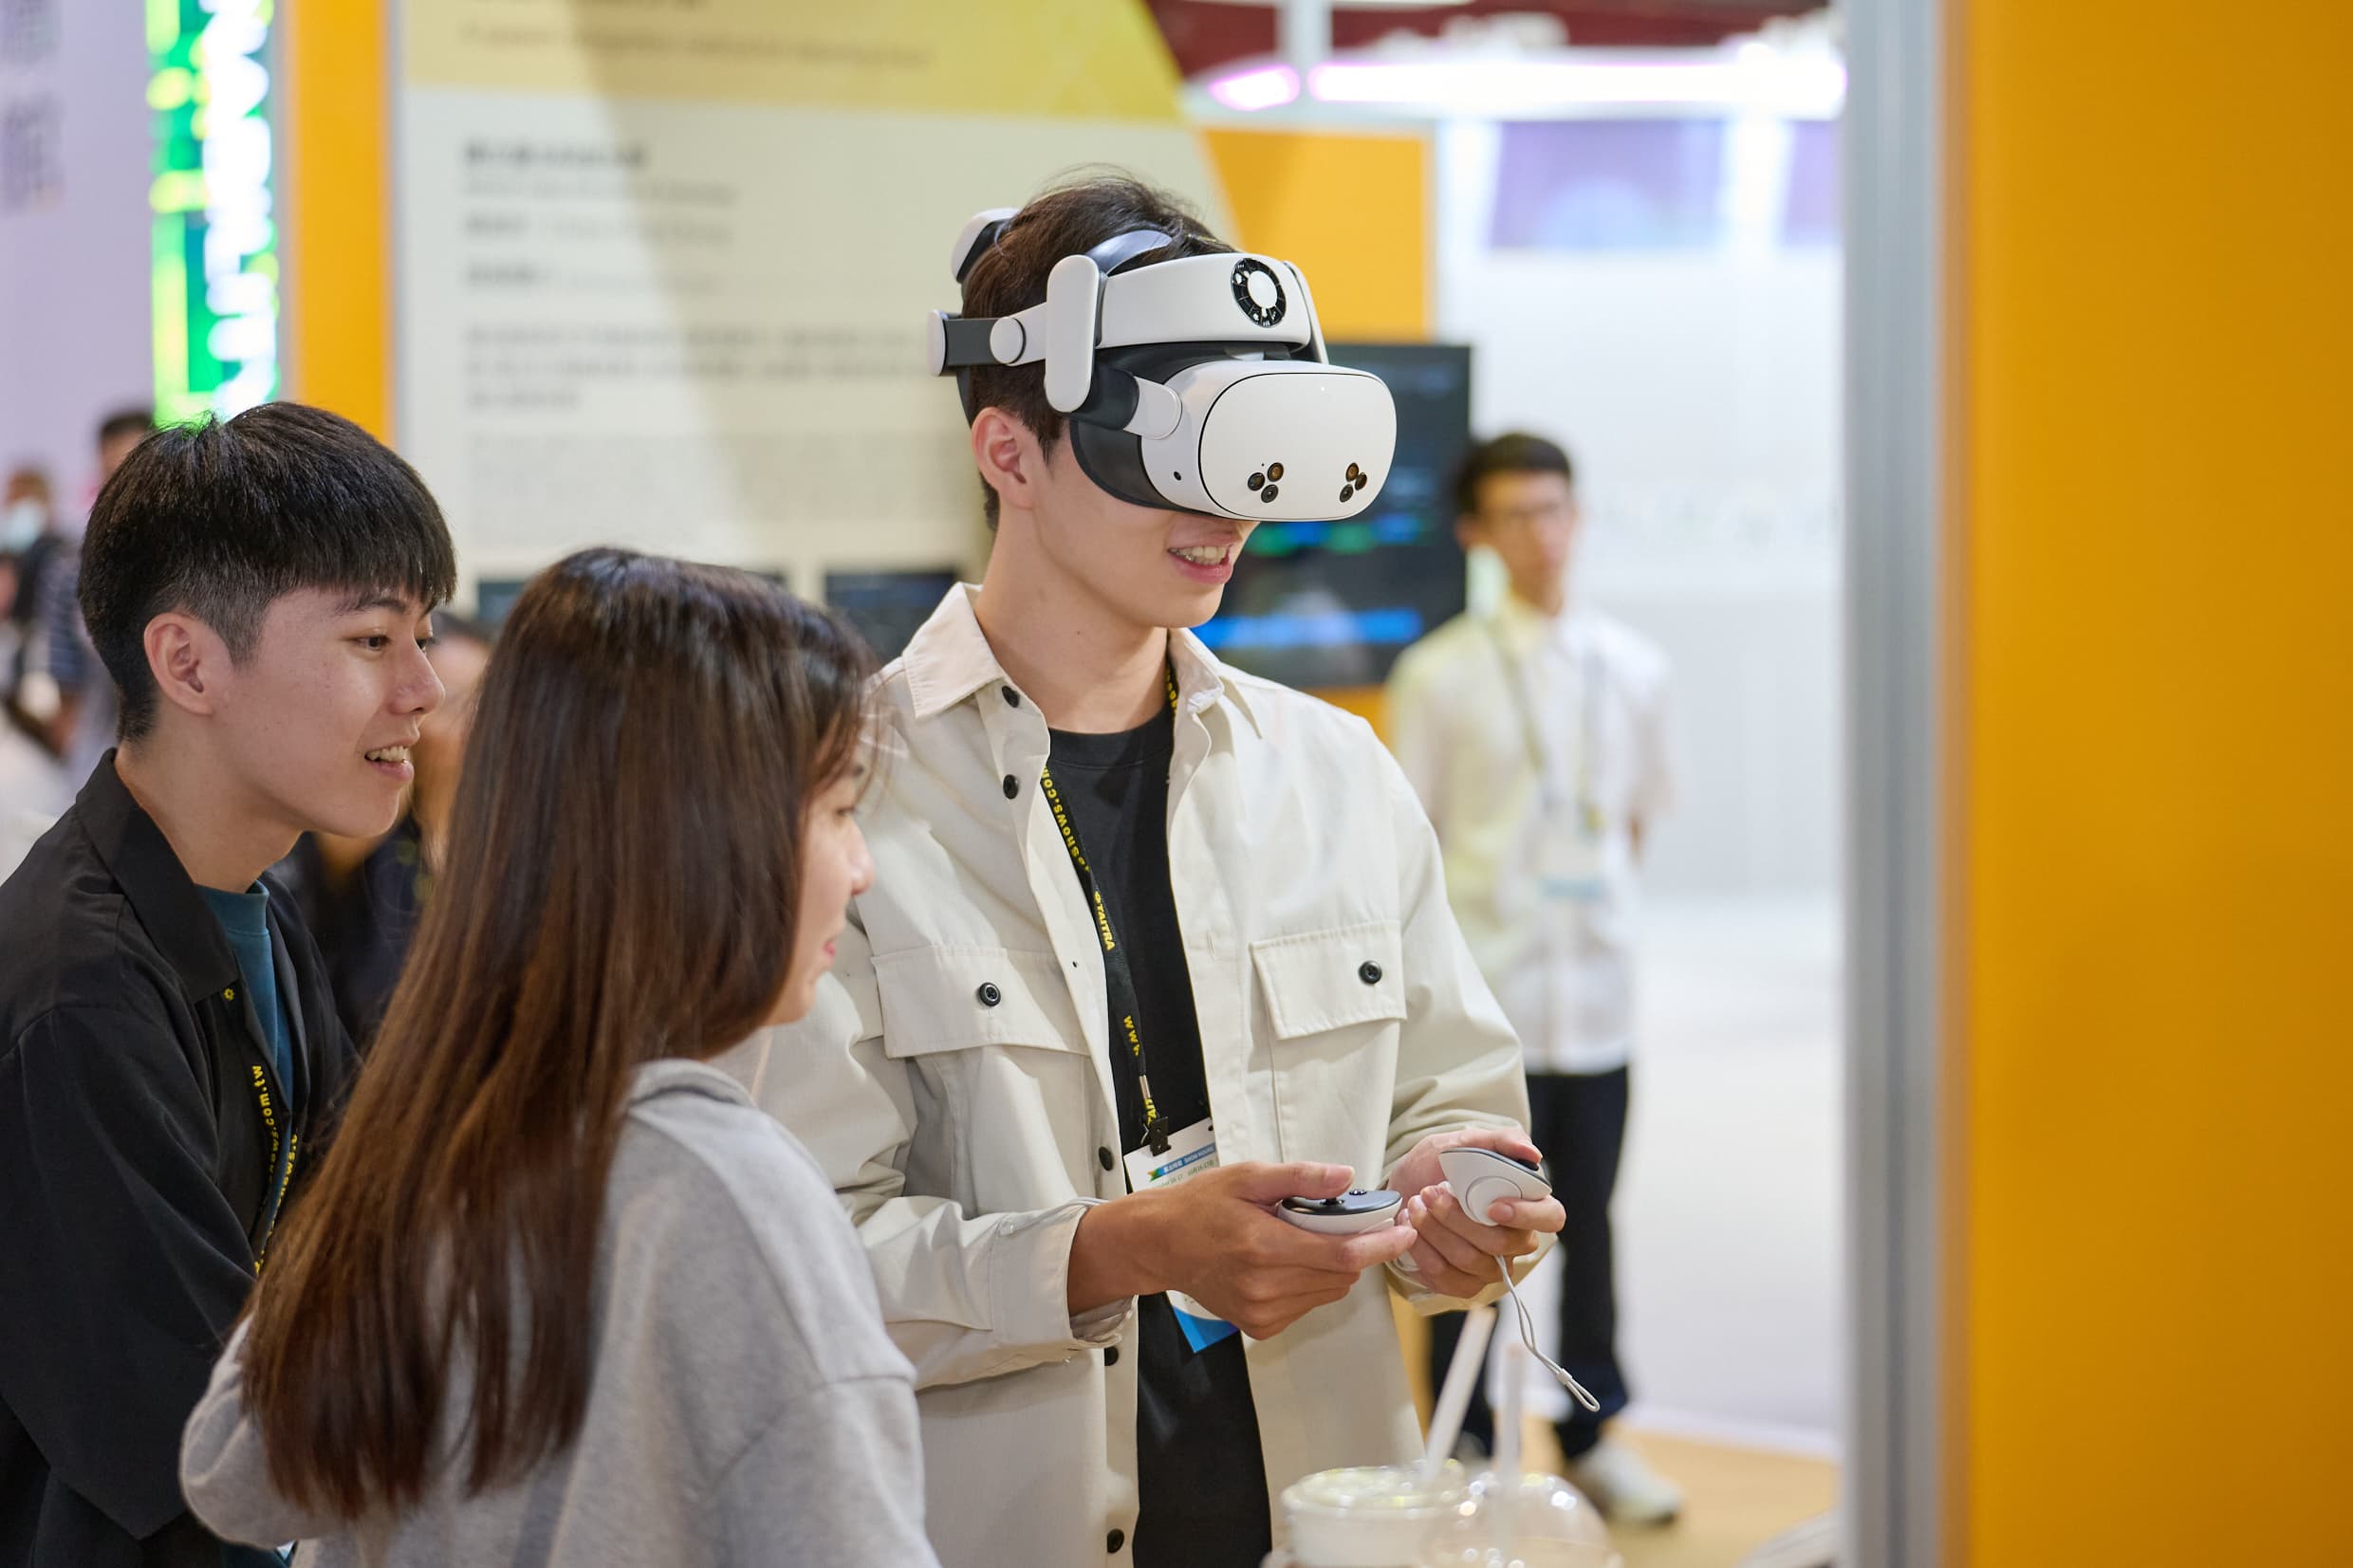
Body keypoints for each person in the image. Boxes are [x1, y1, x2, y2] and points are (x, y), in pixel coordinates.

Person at [721, 174, 1561, 1568]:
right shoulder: (836, 798)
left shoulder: (1333, 775)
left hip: (1318, 1523)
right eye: (1165, 452)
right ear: (1009, 451)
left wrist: (1449, 1190)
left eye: (1245, 451)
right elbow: (789, 1266)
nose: (1220, 508)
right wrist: (1122, 1250)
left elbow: (1453, 1090)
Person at [180, 549, 940, 1568]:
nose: (860, 867)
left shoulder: (426, 1145)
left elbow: (237, 1467)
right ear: (706, 836)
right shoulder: (728, 1192)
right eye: (839, 811)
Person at [0, 402, 457, 1567]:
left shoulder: (251, 903)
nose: (423, 690)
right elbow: (201, 1450)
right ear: (189, 662)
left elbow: (359, 1248)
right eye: (372, 640)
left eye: (423, 636)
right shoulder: (76, 991)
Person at [1386, 432, 1682, 1523]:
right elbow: (1412, 844)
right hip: (1488, 1006)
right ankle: (1459, 1443)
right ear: (1475, 531)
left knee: (1590, 1219)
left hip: (1595, 1001)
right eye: (1514, 514)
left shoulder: (1633, 667)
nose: (1540, 535)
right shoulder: (1439, 674)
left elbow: (1636, 821)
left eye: (1552, 509)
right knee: (1464, 1225)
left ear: (1577, 515)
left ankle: (1593, 1433)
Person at [276, 614, 494, 1045]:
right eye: (455, 706)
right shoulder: (367, 829)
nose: (476, 728)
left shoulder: (511, 840)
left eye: (487, 704)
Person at [19, 409, 158, 784]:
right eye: (113, 474)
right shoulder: (69, 570)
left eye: (136, 473)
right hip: (102, 765)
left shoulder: (192, 566)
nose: (125, 491)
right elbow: (66, 690)